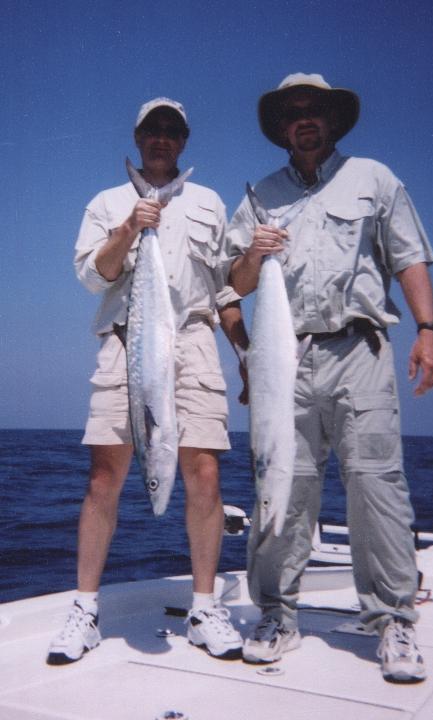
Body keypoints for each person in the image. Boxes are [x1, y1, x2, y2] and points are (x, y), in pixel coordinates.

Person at [226, 73, 433, 683]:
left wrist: (429, 330)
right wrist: (254, 255)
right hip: (283, 359)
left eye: (314, 110)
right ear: (282, 129)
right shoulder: (259, 196)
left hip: (360, 349)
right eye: (293, 113)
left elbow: (408, 257)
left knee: (376, 485)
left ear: (332, 119)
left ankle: (394, 619)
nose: (305, 120)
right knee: (281, 486)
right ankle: (275, 613)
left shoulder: (375, 178)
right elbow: (234, 285)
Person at [47, 97, 249, 665]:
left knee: (204, 472)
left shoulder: (210, 201)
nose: (162, 139)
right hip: (128, 338)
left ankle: (205, 607)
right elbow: (94, 276)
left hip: (194, 339)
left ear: (183, 142)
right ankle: (84, 609)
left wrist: (245, 354)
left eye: (172, 131)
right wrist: (131, 228)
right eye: (152, 130)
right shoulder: (107, 202)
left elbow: (225, 287)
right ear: (138, 139)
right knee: (105, 474)